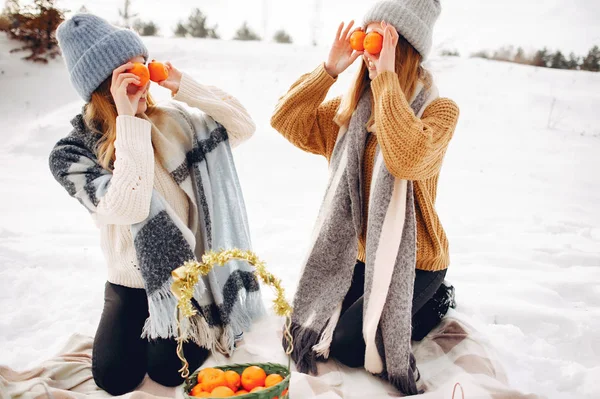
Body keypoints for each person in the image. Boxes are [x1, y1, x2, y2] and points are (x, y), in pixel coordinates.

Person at [49, 14, 263, 395]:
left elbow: (243, 126)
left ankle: (205, 320)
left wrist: (185, 86)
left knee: (169, 370)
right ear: (102, 87)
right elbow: (127, 206)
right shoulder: (71, 153)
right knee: (113, 377)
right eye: (126, 72)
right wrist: (128, 122)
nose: (141, 79)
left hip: (187, 282)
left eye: (141, 64)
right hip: (128, 283)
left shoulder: (175, 122)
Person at [270, 0, 459, 394]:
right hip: (359, 253)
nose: (367, 53)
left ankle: (434, 300)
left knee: (352, 347)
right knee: (315, 324)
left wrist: (388, 80)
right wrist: (329, 71)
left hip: (416, 260)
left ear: (404, 48)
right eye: (365, 38)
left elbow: (406, 157)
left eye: (377, 41)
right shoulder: (352, 110)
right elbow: (286, 120)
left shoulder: (439, 112)